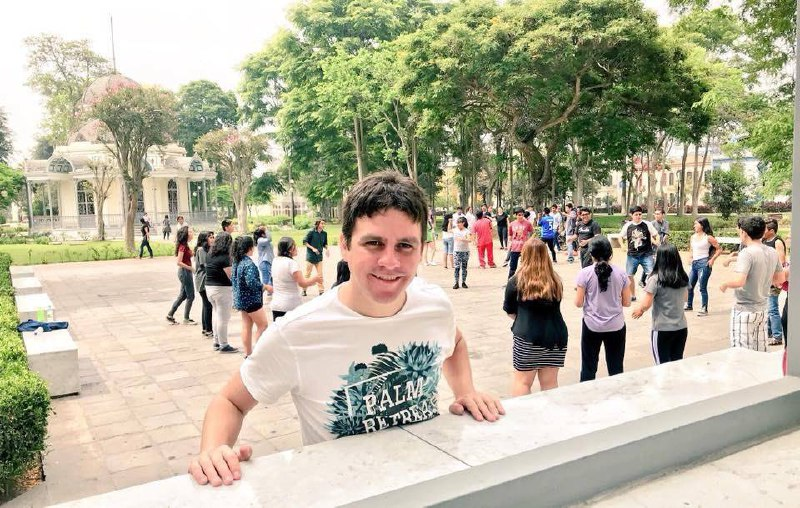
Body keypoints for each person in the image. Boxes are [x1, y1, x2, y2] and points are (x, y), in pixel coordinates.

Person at [188, 171, 503, 487]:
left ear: (421, 249)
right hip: (342, 492)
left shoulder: (434, 306)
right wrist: (214, 450)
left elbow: (454, 341)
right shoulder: (297, 333)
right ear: (345, 246)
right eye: (374, 243)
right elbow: (230, 401)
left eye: (405, 245)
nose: (390, 261)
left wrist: (465, 391)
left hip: (427, 483)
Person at [503, 238, 568, 394]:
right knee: (550, 383)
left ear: (524, 255)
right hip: (555, 337)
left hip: (527, 337)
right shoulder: (555, 280)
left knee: (523, 382)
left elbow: (509, 310)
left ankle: (524, 410)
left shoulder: (516, 281)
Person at [720, 216, 785, 352]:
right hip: (762, 310)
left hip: (744, 310)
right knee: (760, 351)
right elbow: (780, 279)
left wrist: (725, 283)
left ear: (744, 232)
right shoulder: (772, 252)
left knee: (741, 353)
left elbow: (740, 281)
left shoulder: (746, 253)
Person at [575, 236, 631, 381]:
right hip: (616, 326)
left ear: (591, 254)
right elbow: (627, 302)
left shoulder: (584, 273)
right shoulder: (621, 273)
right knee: (616, 368)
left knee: (588, 367)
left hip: (591, 326)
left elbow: (578, 303)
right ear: (610, 253)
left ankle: (587, 393)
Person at [631, 243, 689, 364]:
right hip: (681, 328)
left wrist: (640, 310)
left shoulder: (655, 279)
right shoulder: (683, 277)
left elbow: (646, 304)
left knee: (661, 365)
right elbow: (685, 298)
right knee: (677, 363)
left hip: (662, 329)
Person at [231, 235, 272, 357]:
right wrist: (265, 286)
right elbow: (252, 283)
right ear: (249, 247)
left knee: (246, 326)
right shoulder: (248, 264)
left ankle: (248, 353)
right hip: (251, 300)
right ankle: (257, 355)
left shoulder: (236, 262)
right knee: (263, 325)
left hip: (241, 300)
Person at [270, 237, 323, 321]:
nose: (296, 248)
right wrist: (315, 279)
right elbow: (302, 283)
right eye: (295, 246)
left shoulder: (275, 261)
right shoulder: (292, 263)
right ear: (290, 249)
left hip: (276, 305)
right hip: (290, 305)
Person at [205, 232, 238, 353]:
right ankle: (224, 344)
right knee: (223, 318)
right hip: (221, 290)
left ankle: (216, 341)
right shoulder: (225, 258)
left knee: (217, 315)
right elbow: (231, 276)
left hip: (209, 288)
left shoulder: (210, 254)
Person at [620, 205, 659, 302]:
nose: (638, 216)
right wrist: (623, 246)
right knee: (629, 275)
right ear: (631, 215)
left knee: (651, 275)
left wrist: (658, 241)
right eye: (636, 214)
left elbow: (656, 234)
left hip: (647, 254)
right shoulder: (627, 226)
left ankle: (652, 295)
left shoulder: (647, 224)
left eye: (640, 214)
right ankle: (632, 295)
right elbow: (620, 237)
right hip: (632, 255)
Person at [685, 217, 721, 316]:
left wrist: (712, 259)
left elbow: (719, 249)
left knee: (702, 287)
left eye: (696, 224)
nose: (694, 226)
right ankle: (689, 305)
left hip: (704, 264)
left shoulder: (708, 237)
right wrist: (690, 257)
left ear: (702, 225)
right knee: (689, 285)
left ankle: (704, 308)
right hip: (694, 264)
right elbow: (692, 249)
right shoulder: (693, 237)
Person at [762, 219, 787, 346]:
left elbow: (781, 262)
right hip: (766, 278)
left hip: (774, 279)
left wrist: (774, 279)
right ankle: (770, 332)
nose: (763, 231)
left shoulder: (777, 242)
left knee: (772, 308)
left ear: (771, 231)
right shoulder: (764, 241)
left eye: (765, 229)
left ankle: (777, 336)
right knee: (768, 307)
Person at [166, 226, 196, 325]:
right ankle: (186, 319)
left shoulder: (185, 245)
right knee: (191, 296)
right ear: (185, 234)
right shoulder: (182, 246)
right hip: (184, 272)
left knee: (183, 296)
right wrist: (190, 268)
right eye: (190, 232)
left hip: (185, 272)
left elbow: (190, 255)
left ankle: (170, 315)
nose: (192, 233)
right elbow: (178, 262)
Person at [194, 231, 215, 339]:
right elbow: (204, 265)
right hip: (203, 280)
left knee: (206, 305)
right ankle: (209, 330)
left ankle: (205, 328)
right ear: (204, 239)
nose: (212, 239)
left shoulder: (207, 249)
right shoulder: (201, 250)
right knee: (208, 305)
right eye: (210, 237)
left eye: (213, 237)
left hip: (205, 279)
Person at [302, 219, 329, 296]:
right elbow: (305, 242)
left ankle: (321, 291)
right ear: (318, 224)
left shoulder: (324, 233)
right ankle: (304, 290)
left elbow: (325, 243)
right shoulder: (311, 232)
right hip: (310, 257)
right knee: (307, 275)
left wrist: (327, 249)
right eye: (322, 223)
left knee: (320, 275)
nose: (323, 225)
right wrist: (313, 248)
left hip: (319, 257)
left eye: (324, 223)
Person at [507, 207, 534, 277]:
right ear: (515, 215)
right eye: (519, 215)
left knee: (526, 266)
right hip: (514, 248)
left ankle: (526, 281)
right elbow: (510, 235)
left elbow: (532, 232)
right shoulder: (512, 224)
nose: (521, 216)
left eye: (522, 215)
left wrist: (529, 241)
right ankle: (510, 281)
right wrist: (510, 244)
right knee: (513, 267)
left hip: (525, 248)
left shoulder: (528, 223)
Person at [452, 216, 472, 289]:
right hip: (457, 252)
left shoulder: (467, 231)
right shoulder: (455, 230)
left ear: (463, 223)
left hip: (465, 252)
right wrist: (449, 221)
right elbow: (447, 229)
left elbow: (469, 240)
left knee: (464, 268)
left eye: (459, 223)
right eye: (457, 223)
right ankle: (456, 283)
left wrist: (462, 239)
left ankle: (463, 282)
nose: (457, 224)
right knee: (457, 268)